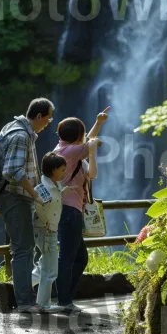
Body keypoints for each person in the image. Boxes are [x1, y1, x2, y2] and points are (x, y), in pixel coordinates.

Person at [0, 98, 54, 313]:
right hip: (15, 197)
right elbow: (12, 171)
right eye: (49, 117)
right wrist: (35, 195)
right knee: (23, 249)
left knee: (25, 247)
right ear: (39, 116)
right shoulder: (20, 135)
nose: (49, 122)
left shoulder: (13, 128)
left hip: (16, 196)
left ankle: (26, 300)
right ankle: (26, 303)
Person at [54, 107, 109, 313]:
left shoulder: (64, 149)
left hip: (71, 210)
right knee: (68, 257)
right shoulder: (71, 152)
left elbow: (87, 143)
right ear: (77, 136)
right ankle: (63, 300)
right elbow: (91, 143)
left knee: (79, 257)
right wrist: (96, 139)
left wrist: (98, 123)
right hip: (69, 210)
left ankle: (66, 295)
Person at [30, 152, 74, 313]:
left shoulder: (55, 186)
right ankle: (42, 304)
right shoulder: (42, 188)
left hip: (50, 229)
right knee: (50, 269)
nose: (64, 173)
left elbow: (51, 202)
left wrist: (63, 194)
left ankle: (23, 285)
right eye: (62, 170)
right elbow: (38, 205)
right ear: (54, 170)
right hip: (46, 230)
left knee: (45, 264)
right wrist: (44, 220)